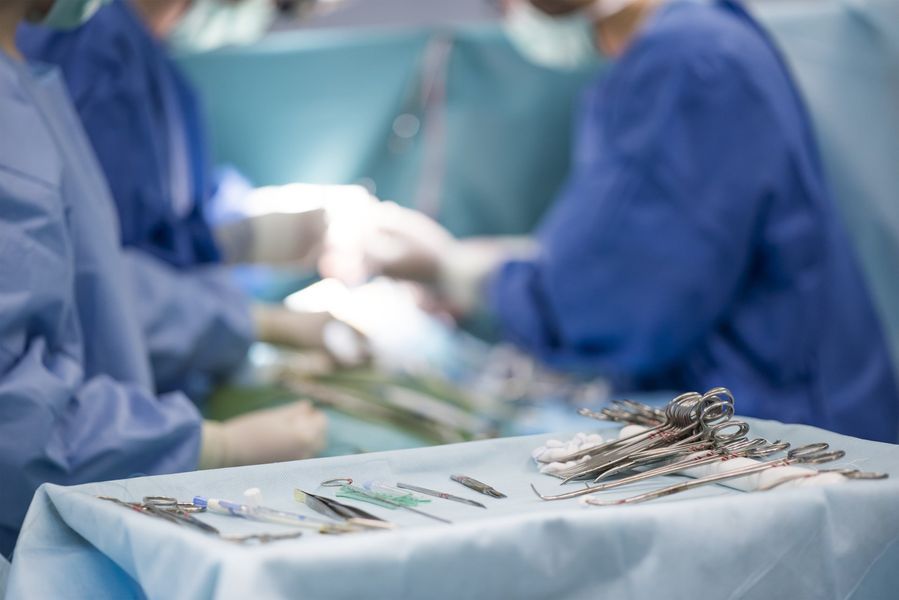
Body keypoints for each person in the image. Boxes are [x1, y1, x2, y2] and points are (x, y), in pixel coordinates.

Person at [332, 0, 899, 442]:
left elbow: (607, 305)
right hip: (764, 403)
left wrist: (460, 272)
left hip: (785, 429)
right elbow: (636, 245)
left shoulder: (688, 65)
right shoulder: (695, 44)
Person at [0, 0, 325, 559]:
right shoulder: (86, 56)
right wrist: (208, 446)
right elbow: (15, 425)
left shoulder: (25, 81)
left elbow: (89, 268)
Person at [17, 0, 366, 402]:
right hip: (107, 399)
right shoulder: (94, 51)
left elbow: (166, 225)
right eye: (282, 7)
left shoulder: (146, 62)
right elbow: (94, 283)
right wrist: (258, 323)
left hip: (146, 388)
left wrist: (247, 236)